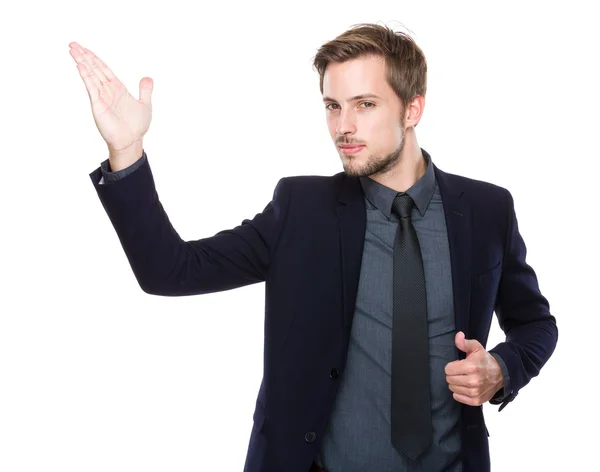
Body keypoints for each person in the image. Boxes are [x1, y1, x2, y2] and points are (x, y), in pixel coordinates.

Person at [70, 22, 557, 472]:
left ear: (412, 109)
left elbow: (535, 323)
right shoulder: (301, 210)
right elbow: (170, 271)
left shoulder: (487, 209)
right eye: (332, 105)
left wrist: (501, 367)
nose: (343, 126)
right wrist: (127, 151)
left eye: (365, 104)